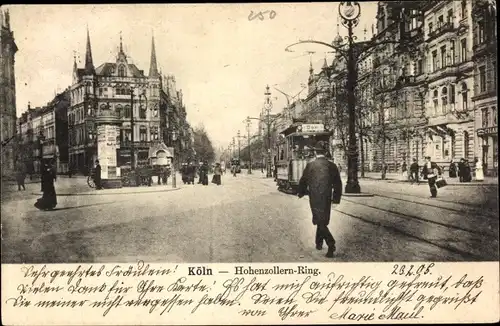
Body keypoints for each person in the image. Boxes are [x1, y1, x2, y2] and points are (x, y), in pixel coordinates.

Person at [297, 141, 342, 258]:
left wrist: (301, 192)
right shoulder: (332, 166)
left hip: (315, 197)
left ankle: (331, 244)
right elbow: (338, 183)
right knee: (322, 220)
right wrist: (336, 199)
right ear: (325, 152)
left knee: (319, 220)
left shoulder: (310, 165)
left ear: (315, 152)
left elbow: (303, 180)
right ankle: (318, 243)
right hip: (327, 197)